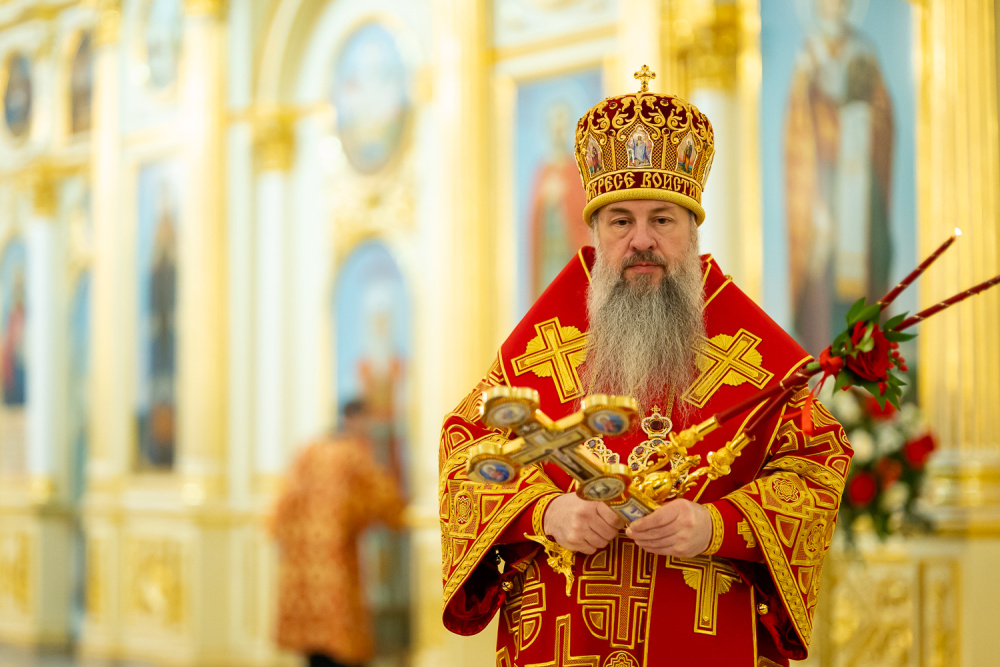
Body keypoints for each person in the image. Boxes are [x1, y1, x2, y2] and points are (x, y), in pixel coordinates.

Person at [439, 72, 852, 665]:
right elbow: (465, 451)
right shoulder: (545, 341)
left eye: (662, 219)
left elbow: (817, 467)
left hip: (702, 638)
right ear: (596, 231)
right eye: (620, 221)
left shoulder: (751, 348)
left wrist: (716, 525)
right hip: (561, 641)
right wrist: (546, 512)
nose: (641, 240)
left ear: (691, 230)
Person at [785, 0, 894, 356]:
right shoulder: (809, 54)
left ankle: (866, 350)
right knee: (824, 265)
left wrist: (864, 117)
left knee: (876, 250)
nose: (833, 8)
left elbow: (884, 114)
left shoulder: (863, 50)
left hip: (861, 175)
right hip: (825, 175)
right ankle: (826, 352)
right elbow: (798, 124)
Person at [272, 400, 405, 667]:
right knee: (338, 620)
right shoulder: (352, 455)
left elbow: (283, 502)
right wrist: (399, 514)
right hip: (336, 552)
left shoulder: (309, 450)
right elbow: (383, 498)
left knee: (311, 621)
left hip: (303, 555)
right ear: (353, 420)